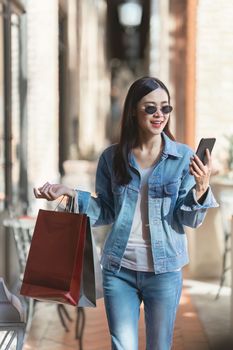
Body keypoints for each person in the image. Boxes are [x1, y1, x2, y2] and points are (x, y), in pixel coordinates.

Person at [34, 77, 218, 350]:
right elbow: (106, 211)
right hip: (119, 269)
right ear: (133, 110)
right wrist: (69, 194)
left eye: (165, 108)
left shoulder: (183, 158)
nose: (159, 115)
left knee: (160, 346)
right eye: (150, 108)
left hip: (164, 271)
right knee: (122, 346)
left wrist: (201, 190)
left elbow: (187, 219)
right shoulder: (112, 158)